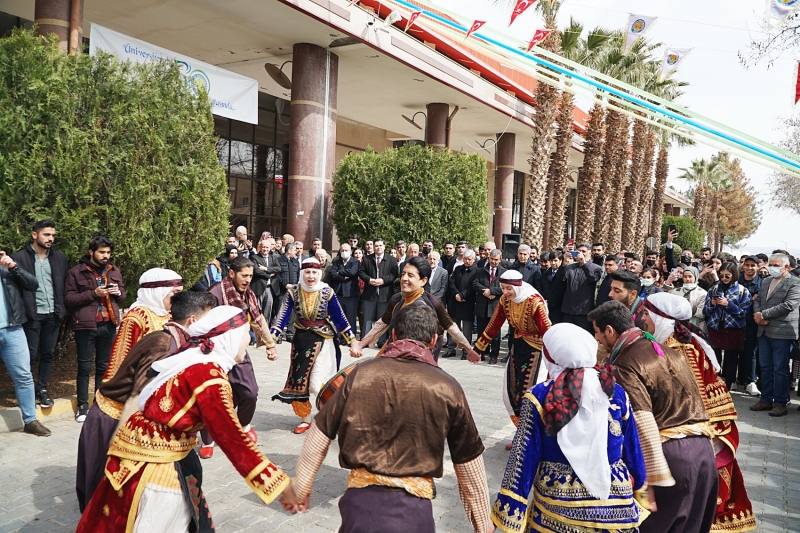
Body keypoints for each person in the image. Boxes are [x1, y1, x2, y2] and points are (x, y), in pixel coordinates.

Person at [76, 306, 298, 533]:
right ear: (229, 336)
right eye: (245, 333)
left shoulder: (192, 359)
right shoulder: (210, 377)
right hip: (158, 469)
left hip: (140, 457)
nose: (248, 339)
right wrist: (278, 484)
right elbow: (233, 439)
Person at [287, 303, 491, 533]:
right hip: (414, 513)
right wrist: (483, 525)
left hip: (359, 507)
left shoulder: (361, 374)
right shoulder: (447, 387)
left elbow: (319, 433)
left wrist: (301, 486)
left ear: (393, 335)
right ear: (434, 341)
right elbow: (469, 462)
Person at [490, 323, 648, 533]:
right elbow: (632, 449)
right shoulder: (614, 390)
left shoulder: (539, 396)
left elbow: (522, 460)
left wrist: (506, 514)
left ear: (551, 355)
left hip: (556, 509)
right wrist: (642, 492)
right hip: (616, 509)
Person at [75, 291, 217, 512]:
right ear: (193, 321)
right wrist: (125, 447)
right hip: (115, 419)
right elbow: (139, 397)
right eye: (210, 319)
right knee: (107, 497)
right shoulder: (164, 345)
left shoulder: (177, 338)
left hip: (130, 420)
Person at [588, 300, 718, 533]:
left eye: (597, 332)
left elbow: (643, 420)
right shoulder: (668, 351)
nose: (596, 338)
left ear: (610, 330)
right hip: (704, 454)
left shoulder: (625, 363)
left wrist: (649, 482)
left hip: (670, 460)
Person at [642, 293, 757, 533]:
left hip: (700, 430)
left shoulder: (678, 348)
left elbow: (694, 400)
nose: (642, 319)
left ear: (661, 317)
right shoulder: (674, 340)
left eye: (646, 313)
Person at [271, 258, 357, 434]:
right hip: (301, 341)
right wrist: (270, 341)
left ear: (319, 274)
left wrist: (353, 341)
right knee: (300, 382)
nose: (311, 276)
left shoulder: (327, 292)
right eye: (307, 272)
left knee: (317, 384)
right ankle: (305, 419)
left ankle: (331, 416)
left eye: (314, 273)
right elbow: (282, 316)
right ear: (302, 274)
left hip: (324, 341)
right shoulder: (293, 292)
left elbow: (339, 317)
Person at [204, 255, 278, 456]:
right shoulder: (215, 294)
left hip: (239, 349)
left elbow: (257, 318)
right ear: (231, 274)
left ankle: (243, 425)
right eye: (243, 275)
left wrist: (270, 345)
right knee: (214, 396)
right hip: (215, 353)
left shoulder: (248, 294)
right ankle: (208, 440)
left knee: (249, 392)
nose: (247, 280)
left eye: (250, 276)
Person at [351, 256, 478, 362]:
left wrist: (469, 350)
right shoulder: (396, 299)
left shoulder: (433, 303)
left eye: (410, 275)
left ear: (423, 280)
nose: (404, 279)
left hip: (424, 358)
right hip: (397, 352)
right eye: (403, 274)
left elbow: (451, 327)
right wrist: (361, 344)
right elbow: (382, 323)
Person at [474, 270, 551, 430]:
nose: (505, 292)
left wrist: (556, 356)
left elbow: (547, 331)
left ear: (518, 286)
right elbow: (494, 324)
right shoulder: (504, 300)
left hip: (537, 350)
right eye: (502, 288)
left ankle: (533, 437)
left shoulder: (534, 302)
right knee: (512, 392)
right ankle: (521, 434)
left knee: (530, 392)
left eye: (509, 288)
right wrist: (478, 348)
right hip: (517, 347)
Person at [65, 236, 126, 423]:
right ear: (91, 252)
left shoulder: (113, 270)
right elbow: (69, 299)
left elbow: (123, 295)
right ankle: (82, 405)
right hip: (85, 325)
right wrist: (93, 293)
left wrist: (118, 293)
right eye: (101, 252)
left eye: (108, 252)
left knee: (103, 366)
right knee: (84, 367)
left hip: (108, 324)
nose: (105, 256)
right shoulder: (76, 272)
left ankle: (98, 403)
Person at [12, 219, 68, 408]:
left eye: (53, 235)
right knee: (27, 355)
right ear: (34, 235)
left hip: (53, 314)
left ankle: (42, 389)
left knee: (48, 354)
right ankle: (25, 391)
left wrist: (62, 309)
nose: (51, 238)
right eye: (46, 234)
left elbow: (62, 286)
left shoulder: (60, 258)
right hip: (31, 315)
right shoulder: (19, 258)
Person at [102, 269, 184, 386]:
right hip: (142, 382)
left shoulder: (170, 313)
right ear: (158, 292)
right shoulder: (137, 316)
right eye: (175, 293)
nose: (179, 298)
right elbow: (121, 357)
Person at [0, 248, 50, 436]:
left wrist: (14, 266)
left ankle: (30, 421)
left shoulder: (6, 269)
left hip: (13, 330)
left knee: (24, 376)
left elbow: (33, 284)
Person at [751, 252, 800, 417]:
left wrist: (763, 315)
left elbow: (789, 305)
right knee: (765, 367)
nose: (771, 268)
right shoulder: (766, 281)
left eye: (775, 265)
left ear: (786, 266)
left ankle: (780, 403)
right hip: (763, 331)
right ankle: (766, 399)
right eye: (770, 264)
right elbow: (757, 300)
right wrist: (758, 315)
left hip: (782, 332)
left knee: (780, 369)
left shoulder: (795, 283)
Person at [703, 261, 751, 392]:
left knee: (731, 359)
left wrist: (728, 304)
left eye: (727, 276)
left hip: (733, 329)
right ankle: (713, 385)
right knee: (714, 357)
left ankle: (728, 386)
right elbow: (705, 312)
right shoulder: (714, 289)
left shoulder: (742, 291)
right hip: (716, 327)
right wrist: (712, 304)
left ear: (734, 275)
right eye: (722, 275)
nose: (724, 279)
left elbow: (744, 314)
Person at [358, 238, 398, 346]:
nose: (378, 248)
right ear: (373, 247)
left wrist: (383, 280)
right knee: (367, 319)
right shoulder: (367, 259)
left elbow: (394, 274)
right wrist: (369, 280)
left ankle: (381, 341)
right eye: (376, 246)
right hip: (369, 294)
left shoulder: (391, 260)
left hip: (385, 295)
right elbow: (361, 272)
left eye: (380, 245)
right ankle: (365, 341)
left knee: (383, 320)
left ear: (384, 247)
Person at [560, 243, 602, 334]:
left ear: (590, 253)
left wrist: (584, 264)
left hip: (584, 311)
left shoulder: (596, 268)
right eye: (579, 251)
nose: (581, 253)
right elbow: (560, 280)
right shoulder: (570, 267)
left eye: (584, 251)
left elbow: (593, 278)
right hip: (568, 310)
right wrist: (563, 263)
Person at [473, 249, 506, 364]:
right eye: (492, 259)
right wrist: (485, 292)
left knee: (495, 334)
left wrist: (492, 291)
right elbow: (475, 284)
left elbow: (505, 288)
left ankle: (494, 355)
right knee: (481, 332)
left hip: (495, 307)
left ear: (500, 260)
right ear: (489, 258)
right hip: (482, 306)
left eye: (496, 260)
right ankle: (480, 353)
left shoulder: (504, 273)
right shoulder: (481, 271)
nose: (494, 261)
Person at [447, 249, 478, 359]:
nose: (467, 261)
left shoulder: (477, 271)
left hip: (467, 303)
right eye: (465, 259)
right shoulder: (458, 269)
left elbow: (474, 286)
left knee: (467, 329)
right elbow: (451, 282)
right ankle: (451, 349)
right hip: (455, 302)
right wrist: (456, 294)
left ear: (474, 260)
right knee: (453, 326)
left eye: (469, 259)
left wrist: (463, 295)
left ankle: (466, 351)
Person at [738, 256, 762, 396]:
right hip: (735, 322)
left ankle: (750, 381)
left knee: (751, 353)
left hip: (752, 323)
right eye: (747, 265)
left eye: (752, 265)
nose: (749, 268)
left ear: (757, 267)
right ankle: (732, 380)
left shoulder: (762, 283)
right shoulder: (737, 281)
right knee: (734, 352)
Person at [329, 243, 360, 334]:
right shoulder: (336, 262)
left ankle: (350, 336)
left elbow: (352, 272)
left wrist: (339, 272)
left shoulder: (355, 262)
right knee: (338, 317)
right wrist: (343, 277)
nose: (344, 252)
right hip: (339, 293)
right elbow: (332, 274)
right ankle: (338, 337)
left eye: (346, 250)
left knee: (350, 317)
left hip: (351, 295)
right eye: (342, 250)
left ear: (350, 252)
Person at [251, 238, 282, 324]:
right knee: (257, 310)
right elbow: (256, 271)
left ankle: (265, 331)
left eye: (267, 247)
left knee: (268, 310)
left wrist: (266, 269)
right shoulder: (254, 257)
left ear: (270, 248)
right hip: (259, 287)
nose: (265, 249)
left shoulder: (273, 258)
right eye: (263, 247)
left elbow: (278, 268)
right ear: (260, 247)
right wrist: (268, 275)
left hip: (270, 288)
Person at [278, 242, 301, 340]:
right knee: (280, 312)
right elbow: (277, 275)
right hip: (282, 290)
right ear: (290, 250)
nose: (296, 252)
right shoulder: (279, 260)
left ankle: (290, 333)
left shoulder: (295, 262)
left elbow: (298, 274)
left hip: (293, 291)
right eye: (295, 250)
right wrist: (285, 284)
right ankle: (278, 334)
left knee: (292, 313)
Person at [541, 251, 566, 324]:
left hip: (557, 308)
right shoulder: (546, 273)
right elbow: (541, 287)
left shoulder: (563, 273)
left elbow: (561, 291)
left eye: (555, 260)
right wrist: (544, 300)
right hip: (545, 305)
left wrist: (550, 302)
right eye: (551, 260)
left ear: (560, 261)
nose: (553, 263)